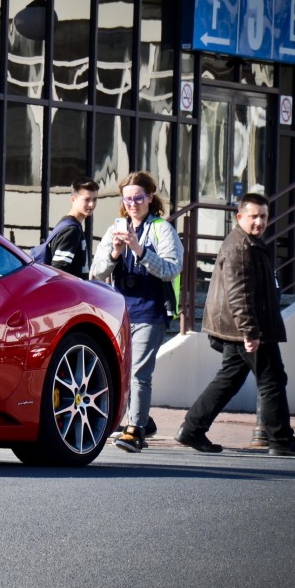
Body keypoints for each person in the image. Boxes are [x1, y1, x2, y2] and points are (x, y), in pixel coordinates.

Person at [175, 193, 295, 456]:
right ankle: (281, 440)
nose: (259, 222)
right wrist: (250, 331)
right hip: (249, 329)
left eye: (264, 216)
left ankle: (192, 428)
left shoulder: (248, 243)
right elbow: (239, 294)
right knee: (272, 379)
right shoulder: (240, 247)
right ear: (240, 216)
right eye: (254, 216)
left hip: (242, 327)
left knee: (230, 378)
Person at [90, 171, 182, 453]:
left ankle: (136, 430)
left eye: (138, 198)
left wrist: (139, 251)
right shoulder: (116, 227)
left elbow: (171, 268)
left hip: (150, 311)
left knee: (139, 374)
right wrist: (116, 252)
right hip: (120, 313)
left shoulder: (161, 229)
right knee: (120, 371)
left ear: (149, 198)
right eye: (127, 198)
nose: (132, 203)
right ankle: (140, 419)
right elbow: (96, 273)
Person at [35, 178, 98, 279]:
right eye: (86, 199)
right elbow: (59, 270)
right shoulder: (71, 230)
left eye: (94, 199)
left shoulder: (67, 224)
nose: (91, 204)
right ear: (73, 200)